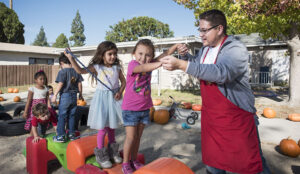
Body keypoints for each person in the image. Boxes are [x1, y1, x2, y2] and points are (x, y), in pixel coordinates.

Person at [161, 9, 271, 174]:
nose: (201, 35)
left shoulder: (236, 48)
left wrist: (182, 65)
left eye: (204, 30)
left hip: (237, 119)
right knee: (213, 164)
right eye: (200, 30)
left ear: (219, 29)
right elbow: (199, 67)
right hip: (212, 119)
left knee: (252, 165)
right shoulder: (205, 50)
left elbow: (222, 72)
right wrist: (185, 57)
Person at [64, 41, 126, 168]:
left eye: (114, 54)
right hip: (102, 101)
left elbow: (123, 82)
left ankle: (113, 152)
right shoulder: (97, 67)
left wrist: (120, 91)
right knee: (103, 128)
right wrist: (71, 57)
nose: (113, 56)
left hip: (114, 99)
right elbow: (80, 70)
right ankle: (101, 155)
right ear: (102, 54)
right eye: (110, 54)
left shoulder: (117, 68)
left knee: (112, 128)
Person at [121, 39, 162, 174]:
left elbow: (165, 54)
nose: (143, 58)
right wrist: (159, 63)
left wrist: (174, 47)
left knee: (138, 138)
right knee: (131, 137)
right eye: (140, 53)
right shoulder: (133, 65)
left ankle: (134, 160)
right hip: (130, 109)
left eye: (148, 55)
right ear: (134, 53)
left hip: (144, 108)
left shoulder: (150, 63)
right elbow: (143, 68)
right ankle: (125, 163)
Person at [51, 53, 84, 143]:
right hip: (74, 96)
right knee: (72, 116)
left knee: (62, 116)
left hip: (65, 96)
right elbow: (80, 83)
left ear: (61, 63)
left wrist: (55, 95)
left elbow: (60, 84)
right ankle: (71, 134)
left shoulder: (62, 71)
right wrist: (80, 94)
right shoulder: (76, 71)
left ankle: (61, 136)